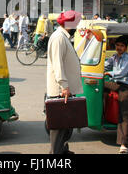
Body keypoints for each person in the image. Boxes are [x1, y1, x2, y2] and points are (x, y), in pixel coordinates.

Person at [46, 10, 83, 154]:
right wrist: (64, 86)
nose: (78, 26)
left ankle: (63, 152)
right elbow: (58, 65)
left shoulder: (64, 37)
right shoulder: (58, 38)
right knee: (59, 129)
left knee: (66, 128)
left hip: (66, 91)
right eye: (76, 23)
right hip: (61, 92)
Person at [103, 36, 128, 154]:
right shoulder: (114, 57)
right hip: (118, 85)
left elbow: (121, 73)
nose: (119, 48)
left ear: (125, 47)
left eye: (122, 46)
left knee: (124, 113)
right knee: (100, 85)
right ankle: (104, 114)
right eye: (117, 45)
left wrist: (109, 72)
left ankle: (124, 143)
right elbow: (105, 65)